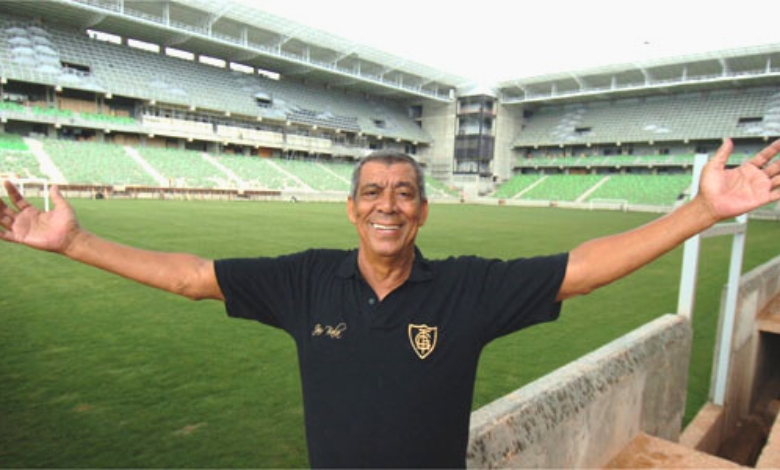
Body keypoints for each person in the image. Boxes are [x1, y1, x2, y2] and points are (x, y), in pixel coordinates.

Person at [1, 139, 780, 467]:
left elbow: (579, 268)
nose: (387, 205)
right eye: (371, 192)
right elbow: (191, 275)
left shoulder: (467, 288)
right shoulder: (304, 279)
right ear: (351, 210)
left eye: (404, 193)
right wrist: (76, 243)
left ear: (422, 212)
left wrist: (702, 212)